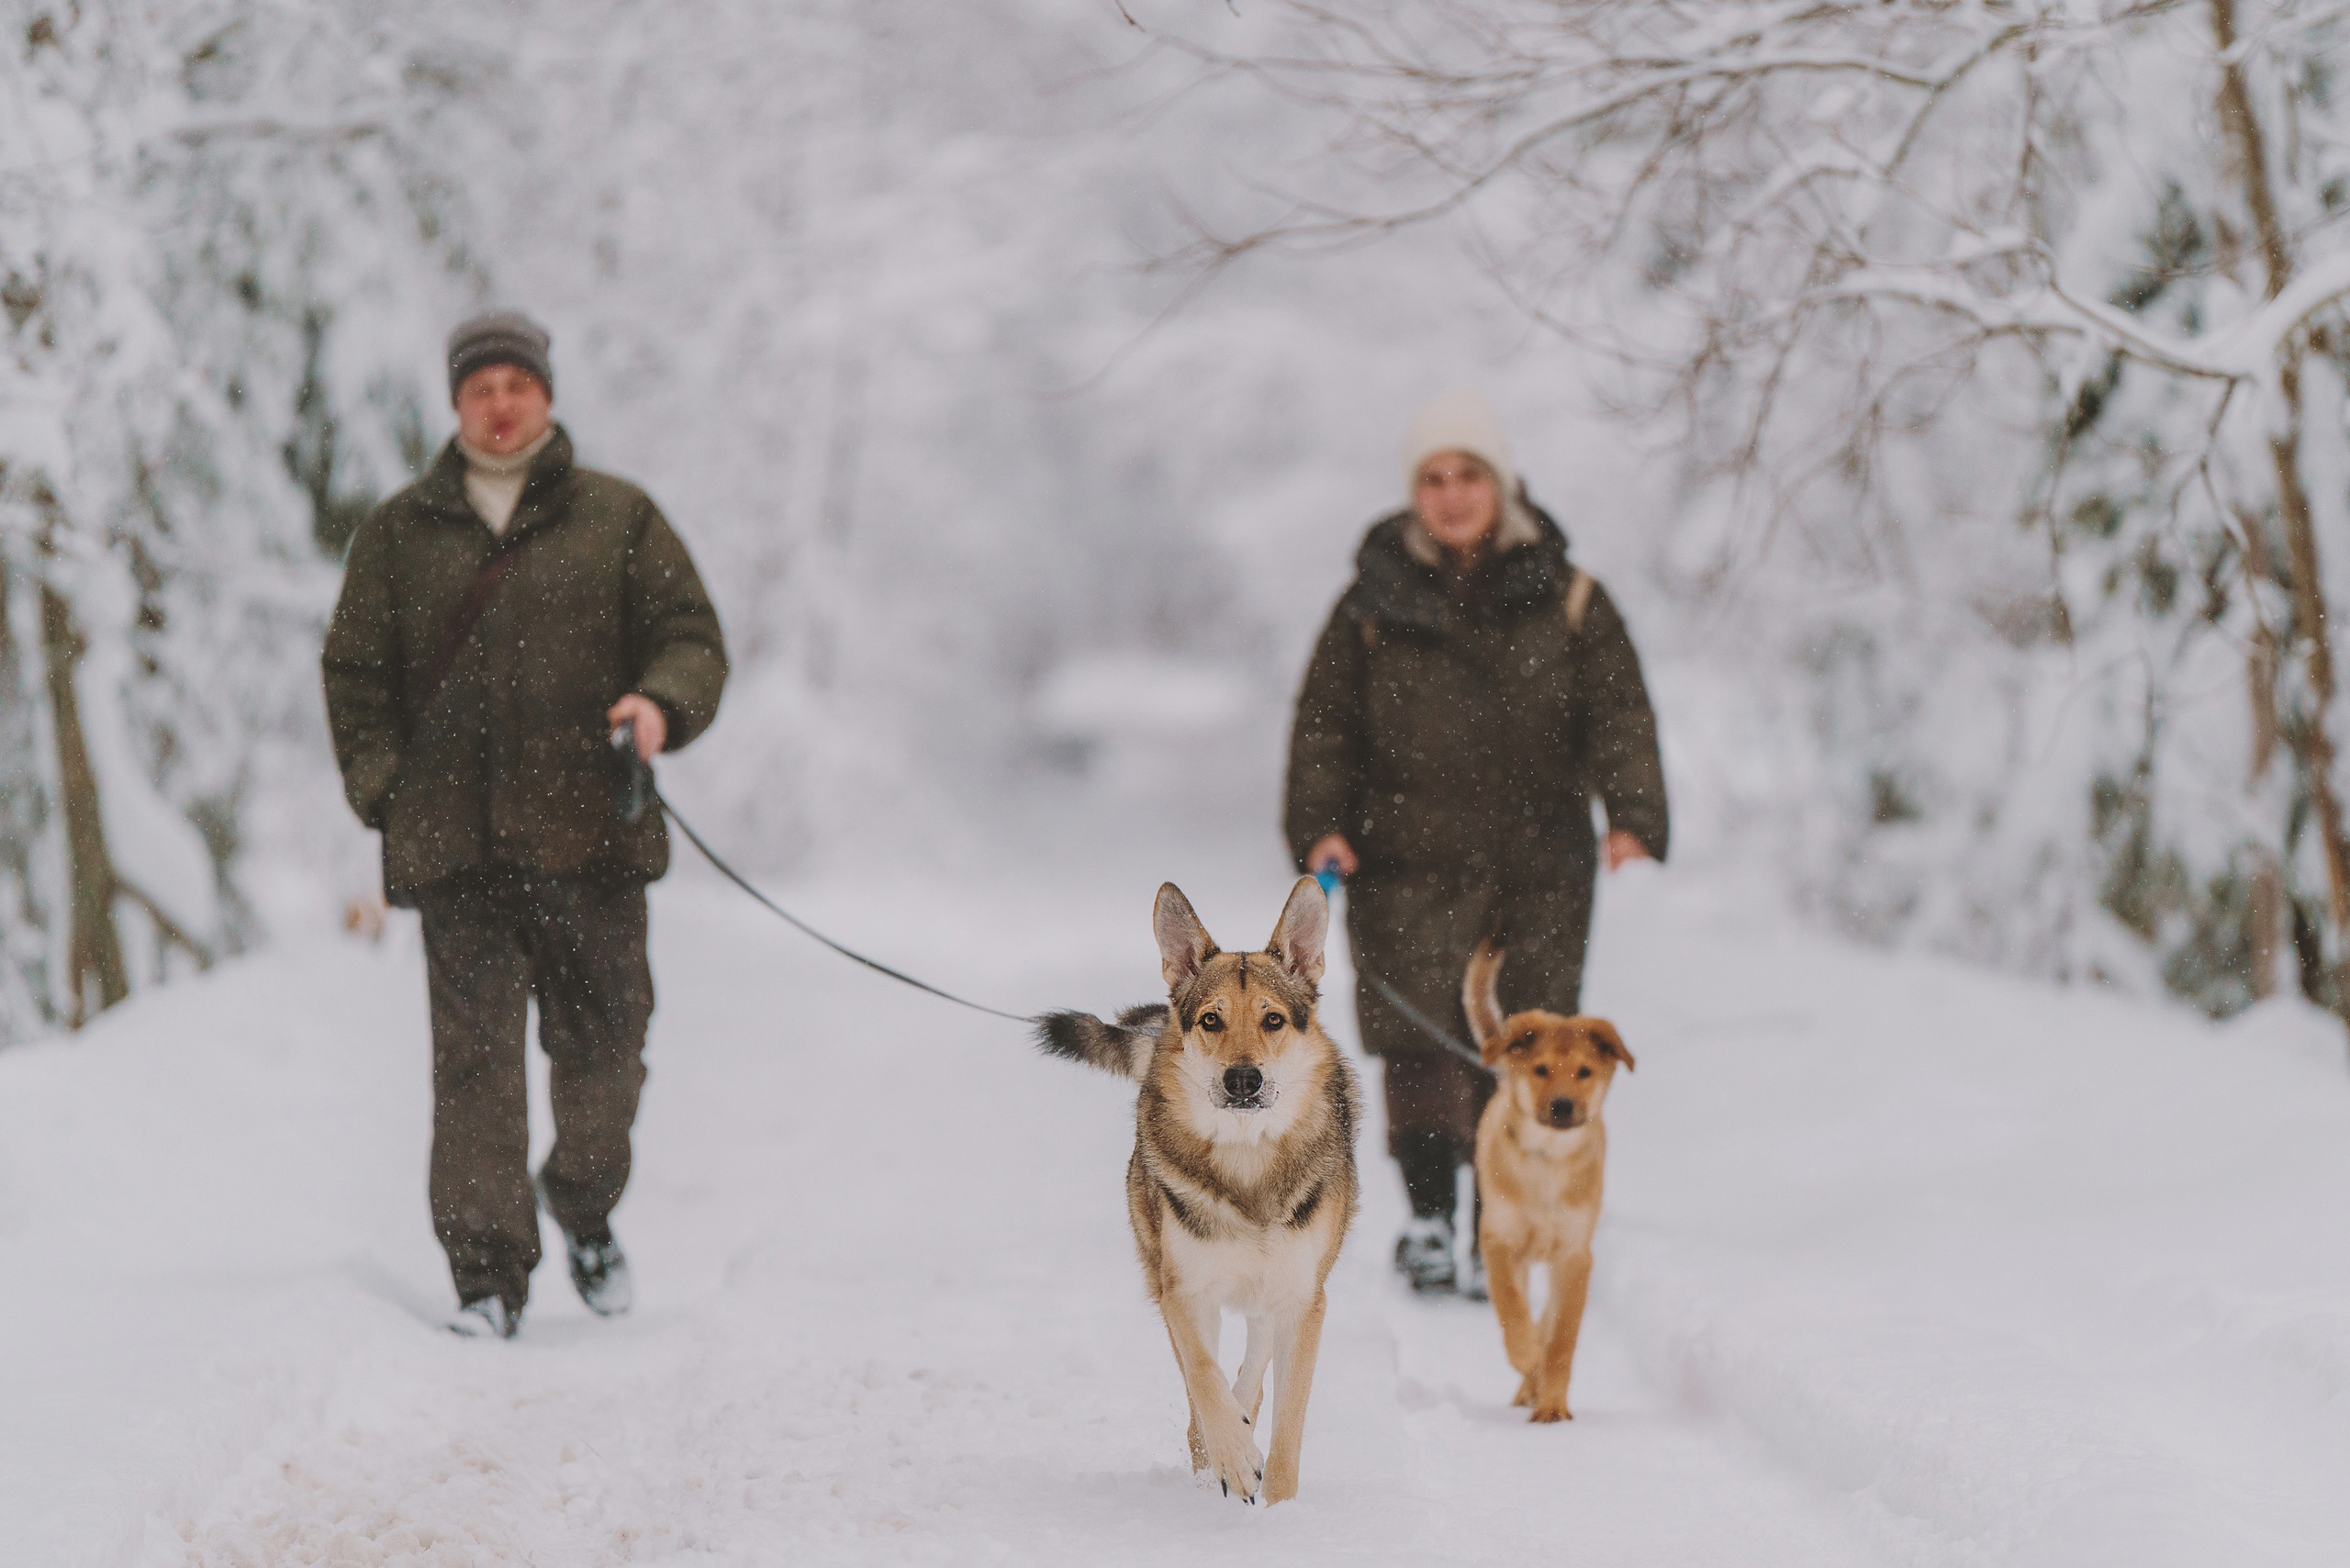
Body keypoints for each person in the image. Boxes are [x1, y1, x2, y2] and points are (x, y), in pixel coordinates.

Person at [322, 311, 727, 1338]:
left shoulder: (619, 518)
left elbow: (690, 637)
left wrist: (658, 706)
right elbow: (355, 675)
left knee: (608, 1057)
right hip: (457, 852)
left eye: (518, 385)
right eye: (479, 388)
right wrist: (384, 790)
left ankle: (582, 1205)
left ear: (546, 395)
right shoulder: (398, 534)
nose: (500, 405)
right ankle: (488, 1282)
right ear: (455, 404)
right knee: (475, 1073)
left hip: (592, 841)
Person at [1283, 386, 1666, 1296]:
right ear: (1414, 492)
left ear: (1498, 484)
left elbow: (1619, 713)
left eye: (1467, 476)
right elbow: (1324, 725)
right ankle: (1428, 1218)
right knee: (1418, 1042)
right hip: (1402, 860)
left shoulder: (1569, 597)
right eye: (1433, 478)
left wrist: (1632, 817)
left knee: (1526, 1042)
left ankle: (1504, 1217)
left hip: (1538, 865)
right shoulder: (1369, 604)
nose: (1451, 495)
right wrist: (1321, 827)